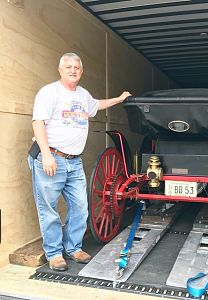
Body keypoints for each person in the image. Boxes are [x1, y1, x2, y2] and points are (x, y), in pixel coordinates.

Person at [29, 52, 131, 271]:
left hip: (73, 161)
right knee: (49, 209)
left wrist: (120, 99)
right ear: (60, 70)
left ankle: (73, 248)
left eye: (77, 67)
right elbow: (38, 123)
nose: (73, 70)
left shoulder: (83, 95)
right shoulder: (49, 92)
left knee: (81, 207)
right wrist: (46, 155)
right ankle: (55, 253)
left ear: (81, 71)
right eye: (68, 67)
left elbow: (97, 105)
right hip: (51, 157)